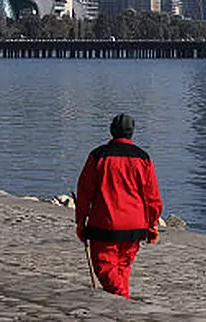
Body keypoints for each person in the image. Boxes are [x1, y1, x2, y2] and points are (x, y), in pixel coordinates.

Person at [75, 113, 163, 298]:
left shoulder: (98, 156)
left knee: (105, 267)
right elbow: (152, 195)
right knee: (122, 268)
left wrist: (80, 221)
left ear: (111, 130)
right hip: (135, 225)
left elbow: (84, 192)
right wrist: (152, 223)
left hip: (104, 223)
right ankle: (121, 304)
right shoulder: (143, 158)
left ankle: (123, 300)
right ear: (131, 132)